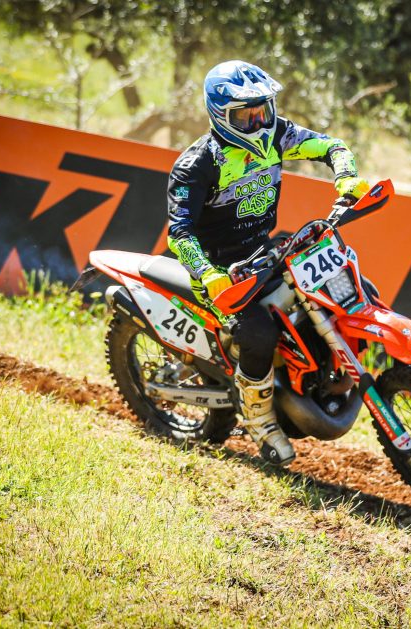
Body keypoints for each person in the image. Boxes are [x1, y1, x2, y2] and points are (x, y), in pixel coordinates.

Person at [166, 60, 369, 466]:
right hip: (220, 270)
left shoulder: (277, 134)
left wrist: (346, 177)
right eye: (247, 115)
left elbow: (331, 146)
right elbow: (179, 233)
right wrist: (208, 273)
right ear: (220, 115)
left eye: (264, 110)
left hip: (263, 249)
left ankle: (330, 371)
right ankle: (260, 422)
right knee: (258, 333)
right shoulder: (197, 165)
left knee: (338, 284)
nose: (259, 122)